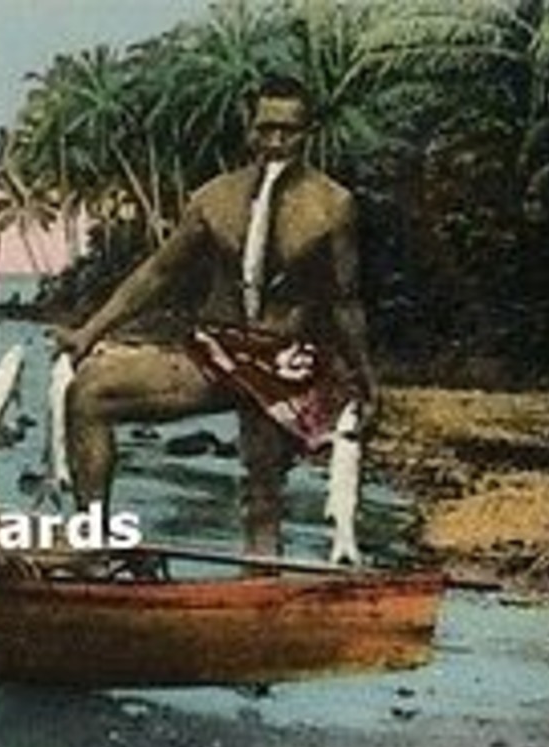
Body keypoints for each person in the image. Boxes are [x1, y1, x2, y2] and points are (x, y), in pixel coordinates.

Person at [50, 74, 377, 558]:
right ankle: (93, 543)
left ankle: (260, 591)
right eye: (266, 129)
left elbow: (345, 300)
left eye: (289, 131)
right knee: (90, 393)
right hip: (213, 351)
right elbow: (157, 273)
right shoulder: (213, 199)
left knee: (263, 491)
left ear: (308, 134)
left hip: (284, 362)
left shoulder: (333, 206)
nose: (276, 142)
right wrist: (89, 333)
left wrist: (367, 380)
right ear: (250, 130)